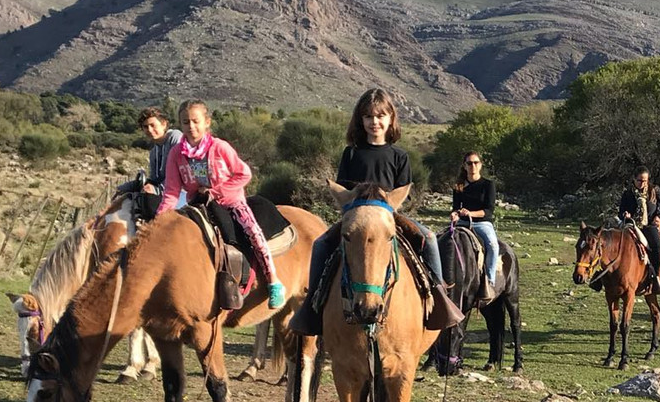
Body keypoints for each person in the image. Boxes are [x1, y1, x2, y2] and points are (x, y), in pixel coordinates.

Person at [289, 88, 460, 334]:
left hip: (389, 217)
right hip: (356, 219)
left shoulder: (399, 156)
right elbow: (344, 188)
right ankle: (312, 305)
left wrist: (389, 203)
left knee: (430, 238)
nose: (374, 122)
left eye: (380, 116)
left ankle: (439, 295)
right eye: (368, 116)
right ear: (360, 120)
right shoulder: (351, 153)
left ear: (391, 119)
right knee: (321, 244)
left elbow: (406, 192)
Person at [155, 100, 286, 309]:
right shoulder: (176, 154)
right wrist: (161, 218)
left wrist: (217, 192)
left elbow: (244, 173)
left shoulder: (219, 147)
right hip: (198, 205)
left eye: (196, 121)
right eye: (186, 122)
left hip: (231, 201)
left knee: (253, 233)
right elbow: (171, 191)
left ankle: (273, 281)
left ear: (207, 122)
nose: (191, 126)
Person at [451, 152, 500, 304]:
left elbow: (489, 210)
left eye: (476, 162)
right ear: (464, 166)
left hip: (482, 223)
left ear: (481, 164)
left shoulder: (488, 185)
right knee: (442, 242)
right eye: (469, 163)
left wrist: (470, 213)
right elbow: (455, 207)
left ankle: (490, 281)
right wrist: (455, 215)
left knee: (492, 245)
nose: (473, 166)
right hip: (462, 223)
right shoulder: (459, 186)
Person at [619, 166, 660, 294]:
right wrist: (625, 215)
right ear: (634, 179)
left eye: (645, 181)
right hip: (632, 225)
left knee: (655, 246)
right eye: (639, 180)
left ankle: (655, 277)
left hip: (649, 226)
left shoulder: (654, 190)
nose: (642, 183)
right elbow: (621, 211)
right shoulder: (628, 193)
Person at [116, 107, 183, 199]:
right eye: (146, 127)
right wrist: (127, 187)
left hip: (182, 192)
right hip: (165, 193)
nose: (150, 130)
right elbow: (155, 179)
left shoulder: (175, 137)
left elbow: (181, 171)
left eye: (153, 125)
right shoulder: (154, 152)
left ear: (164, 124)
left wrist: (158, 190)